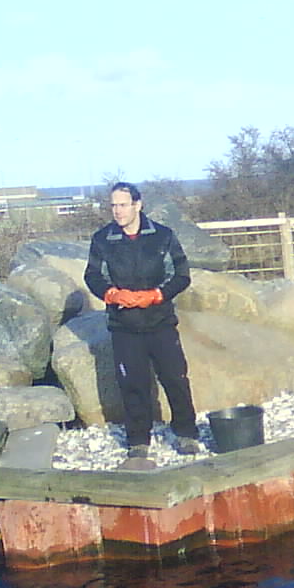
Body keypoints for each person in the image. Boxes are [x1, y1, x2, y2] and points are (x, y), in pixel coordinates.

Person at [84, 182, 205, 465]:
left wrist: (157, 295)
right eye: (113, 205)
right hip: (123, 325)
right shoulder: (102, 239)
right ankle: (138, 440)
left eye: (123, 205)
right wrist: (112, 294)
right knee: (132, 384)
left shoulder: (162, 235)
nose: (117, 211)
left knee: (175, 378)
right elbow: (92, 276)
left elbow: (181, 274)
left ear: (138, 205)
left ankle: (186, 433)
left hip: (160, 321)